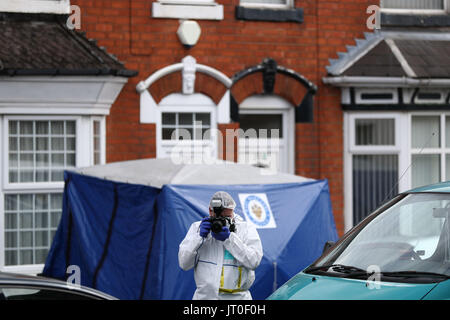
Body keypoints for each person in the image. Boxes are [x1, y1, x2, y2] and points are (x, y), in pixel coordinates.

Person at [178, 191, 263, 300]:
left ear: (233, 211)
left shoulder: (245, 229)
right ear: (210, 211)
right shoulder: (197, 228)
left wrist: (229, 239)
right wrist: (198, 238)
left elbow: (254, 261)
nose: (222, 222)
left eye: (227, 217)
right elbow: (184, 264)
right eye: (219, 217)